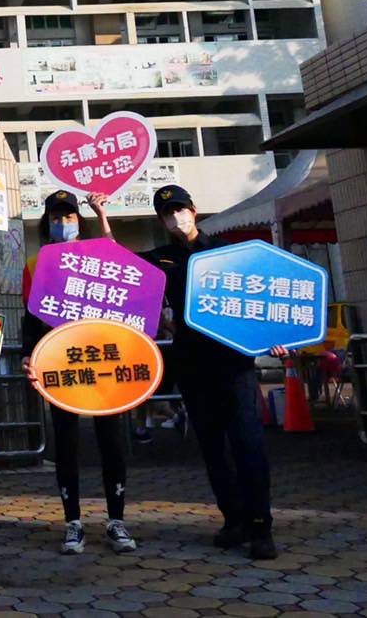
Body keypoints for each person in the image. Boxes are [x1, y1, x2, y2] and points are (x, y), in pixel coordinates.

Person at [142, 184, 281, 560]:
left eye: (180, 209)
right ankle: (233, 520)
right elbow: (121, 271)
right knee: (213, 449)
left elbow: (261, 297)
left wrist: (277, 335)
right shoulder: (160, 259)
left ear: (194, 209)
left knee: (248, 445)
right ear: (161, 219)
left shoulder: (228, 252)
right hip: (192, 364)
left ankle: (260, 527)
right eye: (167, 212)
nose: (175, 216)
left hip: (234, 364)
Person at [20, 190, 137, 556]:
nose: (63, 223)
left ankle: (116, 521)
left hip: (104, 362)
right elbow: (30, 317)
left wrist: (101, 210)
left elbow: (117, 257)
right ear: (47, 223)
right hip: (61, 363)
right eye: (56, 218)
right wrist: (28, 355)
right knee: (66, 443)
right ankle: (73, 523)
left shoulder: (97, 257)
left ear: (79, 222)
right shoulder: (35, 265)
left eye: (69, 217)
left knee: (112, 441)